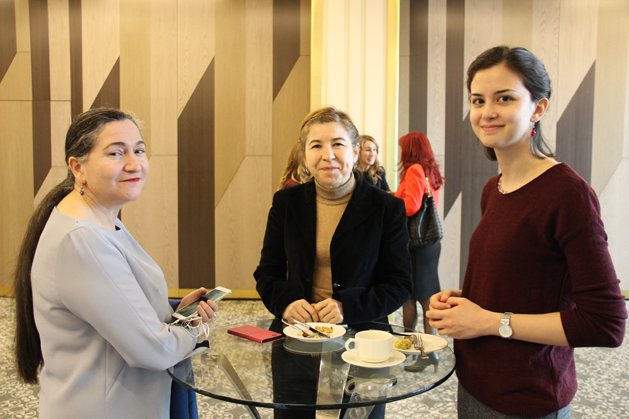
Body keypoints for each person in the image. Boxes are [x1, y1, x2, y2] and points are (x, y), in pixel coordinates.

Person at [426, 46, 627, 418]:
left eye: (505, 98)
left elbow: (606, 323)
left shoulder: (567, 194)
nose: (487, 112)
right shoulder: (495, 188)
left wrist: (487, 321)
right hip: (476, 382)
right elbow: (526, 281)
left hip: (527, 398)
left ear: (538, 108)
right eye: (478, 100)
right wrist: (466, 300)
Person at [13, 108, 218, 419]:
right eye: (116, 153)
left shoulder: (100, 218)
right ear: (77, 167)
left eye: (139, 150)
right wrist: (191, 329)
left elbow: (116, 302)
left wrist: (173, 313)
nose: (134, 164)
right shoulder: (82, 240)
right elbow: (154, 349)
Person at [255, 106, 412, 327]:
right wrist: (286, 302)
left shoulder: (387, 207)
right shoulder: (286, 202)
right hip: (299, 330)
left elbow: (399, 284)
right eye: (316, 146)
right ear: (305, 156)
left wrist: (349, 307)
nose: (328, 155)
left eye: (338, 144)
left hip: (363, 333)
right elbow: (267, 273)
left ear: (355, 152)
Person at [394, 131, 444, 335]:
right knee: (426, 296)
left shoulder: (414, 170)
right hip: (429, 242)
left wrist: (392, 202)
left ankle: (413, 344)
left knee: (413, 297)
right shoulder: (430, 170)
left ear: (409, 150)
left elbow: (411, 206)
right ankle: (429, 346)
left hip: (416, 243)